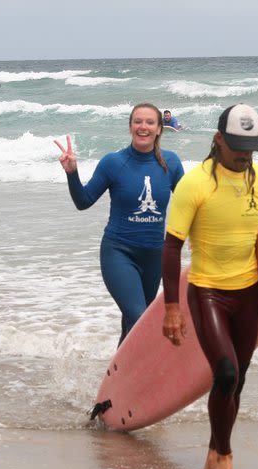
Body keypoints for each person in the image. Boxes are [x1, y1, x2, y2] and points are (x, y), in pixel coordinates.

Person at [161, 104, 258, 469]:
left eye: (251, 146)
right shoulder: (196, 183)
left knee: (240, 377)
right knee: (225, 373)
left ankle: (211, 457)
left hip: (249, 293)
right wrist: (172, 308)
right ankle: (225, 460)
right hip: (208, 292)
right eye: (237, 145)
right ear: (218, 140)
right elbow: (171, 247)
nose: (244, 154)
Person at [54, 103, 185, 346]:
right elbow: (83, 201)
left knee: (132, 325)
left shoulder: (171, 163)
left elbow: (189, 204)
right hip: (119, 252)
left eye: (149, 122)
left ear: (159, 129)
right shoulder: (113, 163)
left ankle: (118, 379)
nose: (143, 127)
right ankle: (145, 377)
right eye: (137, 121)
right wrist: (72, 173)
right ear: (130, 127)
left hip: (155, 256)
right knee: (140, 320)